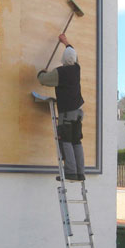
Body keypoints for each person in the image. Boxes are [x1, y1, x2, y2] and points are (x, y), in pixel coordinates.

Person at [37, 34, 85, 181]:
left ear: (64, 60)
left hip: (67, 113)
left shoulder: (61, 72)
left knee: (66, 141)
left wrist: (41, 73)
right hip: (78, 112)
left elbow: (43, 80)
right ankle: (79, 173)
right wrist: (66, 43)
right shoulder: (77, 68)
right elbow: (73, 53)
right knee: (76, 141)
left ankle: (70, 172)